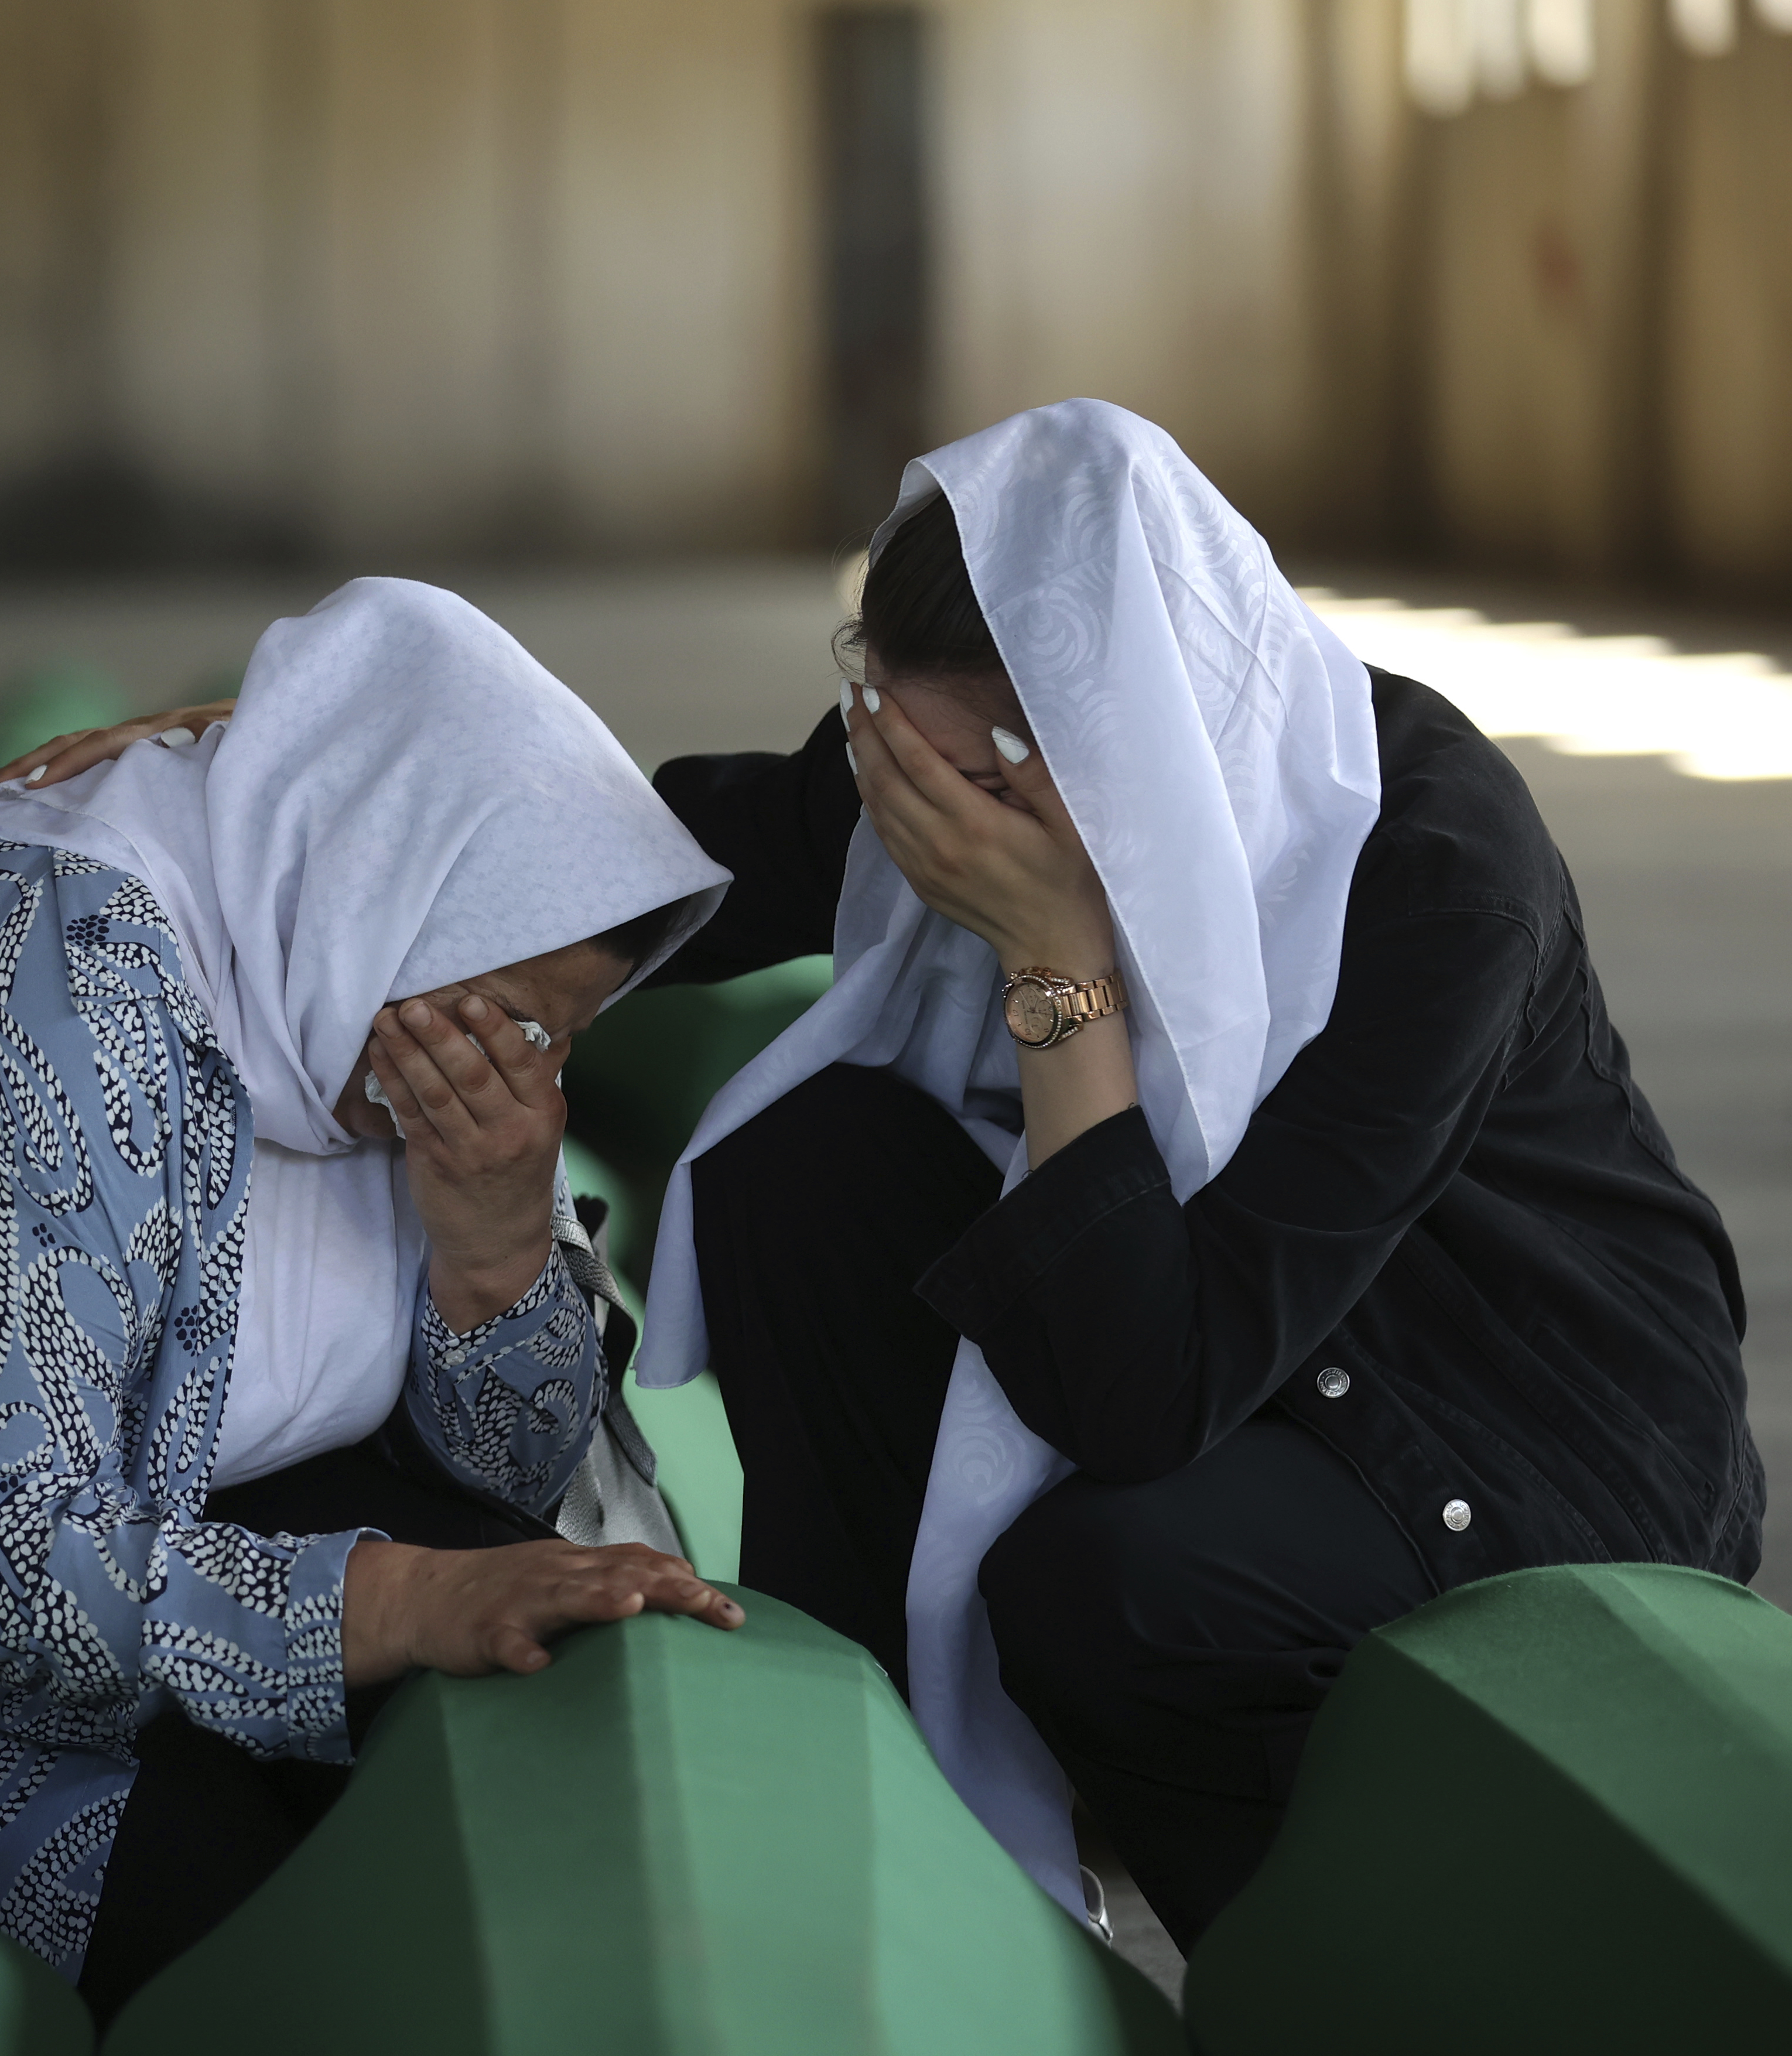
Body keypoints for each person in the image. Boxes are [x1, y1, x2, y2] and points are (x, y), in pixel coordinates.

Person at [623, 399, 1759, 1946]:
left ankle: (1324, 1964)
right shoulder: (980, 750)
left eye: (972, 789)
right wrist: (300, 807)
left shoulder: (1423, 870)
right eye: (897, 754)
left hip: (1502, 1416)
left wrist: (1053, 970)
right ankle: (896, 1810)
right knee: (797, 1162)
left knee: (1112, 1584)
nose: (928, 820)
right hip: (1231, 1336)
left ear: (1129, 736)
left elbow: (1138, 1398)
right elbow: (698, 854)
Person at [0, 577, 747, 2019]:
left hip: (165, 1557)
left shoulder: (320, 975)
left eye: (554, 1040)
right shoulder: (38, 966)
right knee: (317, 1966)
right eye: (496, 1009)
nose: (512, 1072)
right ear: (370, 880)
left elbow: (516, 1483)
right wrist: (405, 1601)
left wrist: (495, 1243)